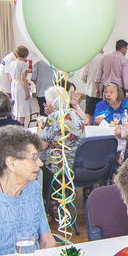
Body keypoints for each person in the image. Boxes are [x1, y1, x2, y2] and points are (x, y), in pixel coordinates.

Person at [0, 126, 57, 256]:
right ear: (11, 163)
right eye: (33, 157)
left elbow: (47, 240)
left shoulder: (33, 188)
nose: (40, 163)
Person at [38, 85, 86, 218]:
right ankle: (54, 202)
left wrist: (40, 128)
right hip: (75, 166)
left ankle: (47, 205)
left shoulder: (54, 117)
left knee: (33, 164)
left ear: (52, 102)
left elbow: (41, 145)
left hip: (57, 166)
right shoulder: (76, 115)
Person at [7, 46, 32, 123]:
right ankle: (20, 127)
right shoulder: (23, 64)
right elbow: (23, 79)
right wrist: (27, 92)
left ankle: (16, 126)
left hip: (13, 85)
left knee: (16, 109)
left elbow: (10, 78)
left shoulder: (12, 63)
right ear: (26, 55)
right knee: (21, 110)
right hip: (20, 86)